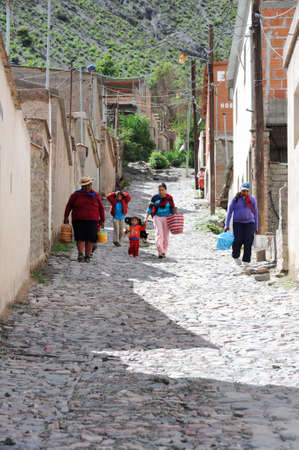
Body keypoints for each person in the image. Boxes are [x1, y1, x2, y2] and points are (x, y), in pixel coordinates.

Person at [64, 176, 105, 263]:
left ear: (91, 185)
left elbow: (101, 208)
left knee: (91, 239)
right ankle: (80, 254)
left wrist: (102, 220)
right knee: (80, 237)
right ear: (82, 186)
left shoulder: (95, 195)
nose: (87, 187)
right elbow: (69, 206)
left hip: (93, 220)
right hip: (78, 219)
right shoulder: (76, 194)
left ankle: (88, 256)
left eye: (88, 185)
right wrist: (66, 216)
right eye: (85, 186)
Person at [225, 182, 258, 266]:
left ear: (249, 191)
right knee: (237, 240)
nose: (245, 193)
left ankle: (246, 260)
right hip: (238, 223)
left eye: (247, 191)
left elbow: (256, 214)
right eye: (243, 191)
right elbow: (229, 212)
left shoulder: (252, 200)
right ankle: (235, 256)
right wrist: (227, 225)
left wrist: (256, 226)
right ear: (241, 190)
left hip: (250, 223)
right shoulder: (235, 199)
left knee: (248, 241)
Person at [145, 183, 177, 259]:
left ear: (166, 190)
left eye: (162, 190)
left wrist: (174, 214)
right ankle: (160, 252)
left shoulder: (169, 198)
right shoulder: (154, 198)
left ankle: (164, 252)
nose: (161, 192)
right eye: (159, 190)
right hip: (157, 217)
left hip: (167, 217)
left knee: (166, 236)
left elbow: (172, 208)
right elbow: (150, 208)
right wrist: (145, 218)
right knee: (159, 234)